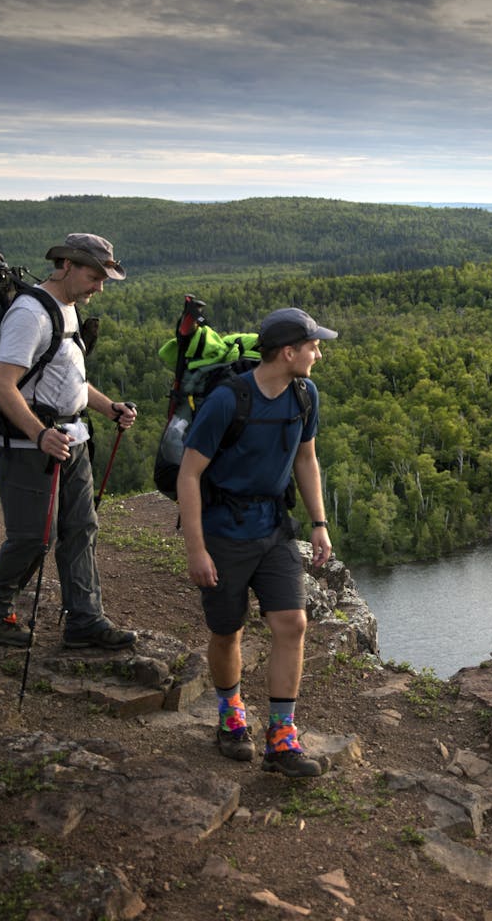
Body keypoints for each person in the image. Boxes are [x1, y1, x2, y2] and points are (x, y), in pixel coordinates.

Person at [177, 307, 335, 778]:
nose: (318, 354)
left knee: (293, 623)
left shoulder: (305, 395)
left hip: (274, 529)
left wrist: (318, 522)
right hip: (224, 532)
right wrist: (196, 549)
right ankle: (230, 716)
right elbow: (189, 474)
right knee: (227, 631)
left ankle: (282, 737)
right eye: (313, 346)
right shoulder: (228, 401)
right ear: (288, 352)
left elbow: (306, 459)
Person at [0, 233, 139, 650]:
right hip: (33, 448)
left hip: (72, 439)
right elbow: (4, 387)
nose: (99, 286)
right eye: (94, 276)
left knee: (81, 529)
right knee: (33, 537)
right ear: (65, 265)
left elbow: (70, 380)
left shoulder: (68, 310)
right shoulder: (30, 314)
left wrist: (107, 406)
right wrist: (39, 434)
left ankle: (85, 621)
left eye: (104, 278)